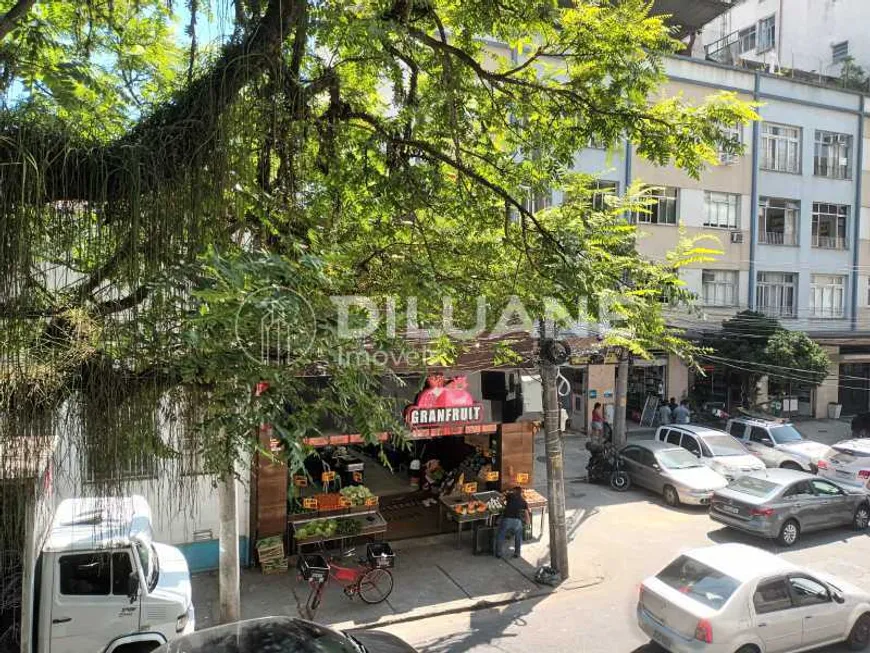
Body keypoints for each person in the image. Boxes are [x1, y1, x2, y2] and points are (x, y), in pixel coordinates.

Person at [496, 487, 531, 559]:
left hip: (507, 519)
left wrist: (505, 505)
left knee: (501, 535)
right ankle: (517, 553)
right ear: (520, 493)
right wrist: (528, 525)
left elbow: (500, 501)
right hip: (517, 522)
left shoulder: (510, 496)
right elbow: (527, 515)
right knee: (518, 537)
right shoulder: (523, 502)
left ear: (514, 491)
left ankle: (499, 553)